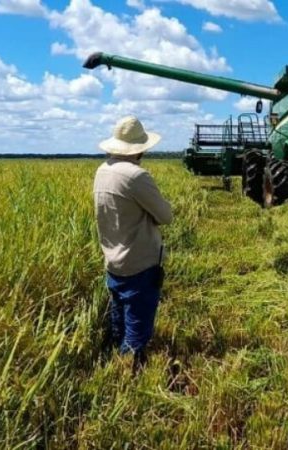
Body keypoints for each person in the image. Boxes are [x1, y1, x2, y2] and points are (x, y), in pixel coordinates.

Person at [93, 116, 173, 367]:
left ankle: (117, 360)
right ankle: (129, 372)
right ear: (140, 148)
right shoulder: (136, 175)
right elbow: (165, 216)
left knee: (119, 320)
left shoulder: (103, 170)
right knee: (137, 329)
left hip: (113, 261)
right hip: (140, 262)